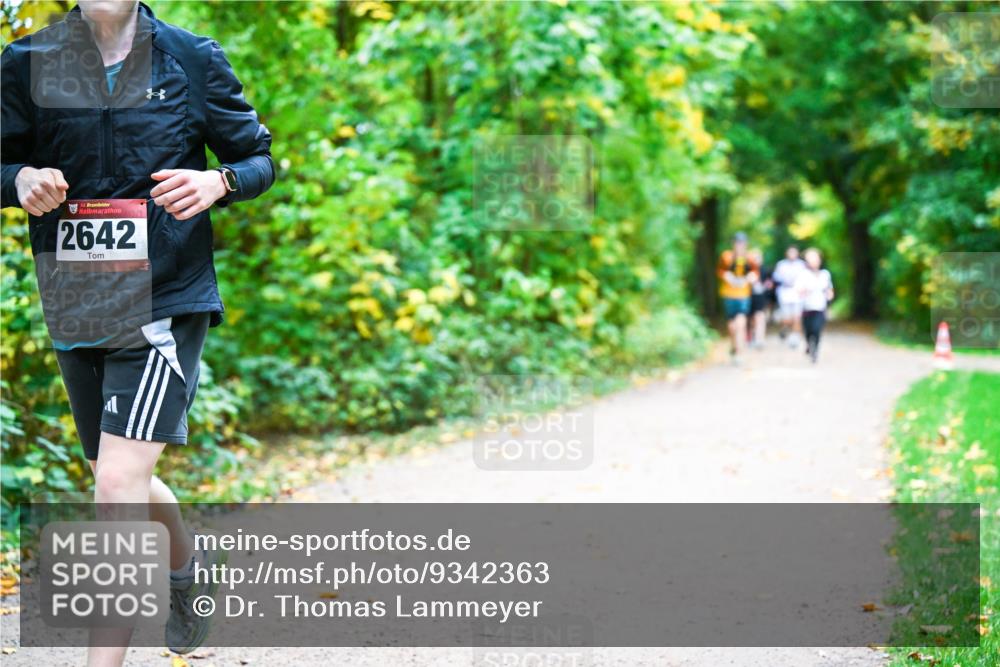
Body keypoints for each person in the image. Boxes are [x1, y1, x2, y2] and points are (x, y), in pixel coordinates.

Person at [1, 1, 274, 664]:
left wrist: (220, 180)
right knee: (112, 471)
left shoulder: (191, 57)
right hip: (78, 301)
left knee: (116, 484)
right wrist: (21, 179)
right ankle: (191, 568)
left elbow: (259, 159)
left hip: (164, 298)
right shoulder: (28, 62)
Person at [717, 232, 759, 363]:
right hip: (729, 294)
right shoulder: (726, 257)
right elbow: (720, 270)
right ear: (733, 244)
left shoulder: (750, 258)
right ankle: (734, 346)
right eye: (737, 243)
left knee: (740, 323)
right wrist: (728, 277)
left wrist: (750, 278)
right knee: (732, 326)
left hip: (743, 294)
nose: (740, 245)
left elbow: (755, 272)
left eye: (742, 243)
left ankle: (739, 351)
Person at [796, 248, 834, 363]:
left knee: (817, 330)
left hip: (820, 307)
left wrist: (829, 295)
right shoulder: (803, 275)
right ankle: (808, 344)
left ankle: (815, 351)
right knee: (808, 331)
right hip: (807, 308)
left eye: (815, 259)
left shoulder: (825, 274)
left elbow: (829, 290)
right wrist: (804, 291)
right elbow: (798, 290)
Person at [771, 245, 807, 348]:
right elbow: (776, 277)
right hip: (785, 293)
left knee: (797, 316)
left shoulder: (802, 265)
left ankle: (795, 337)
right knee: (787, 317)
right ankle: (785, 328)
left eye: (794, 252)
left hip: (797, 292)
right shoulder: (781, 265)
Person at [747, 247, 771, 349]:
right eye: (754, 257)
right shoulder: (747, 269)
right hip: (749, 297)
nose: (756, 259)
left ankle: (760, 339)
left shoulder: (765, 270)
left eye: (758, 257)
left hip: (761, 297)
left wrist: (765, 286)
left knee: (760, 317)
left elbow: (770, 283)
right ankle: (752, 337)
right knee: (751, 319)